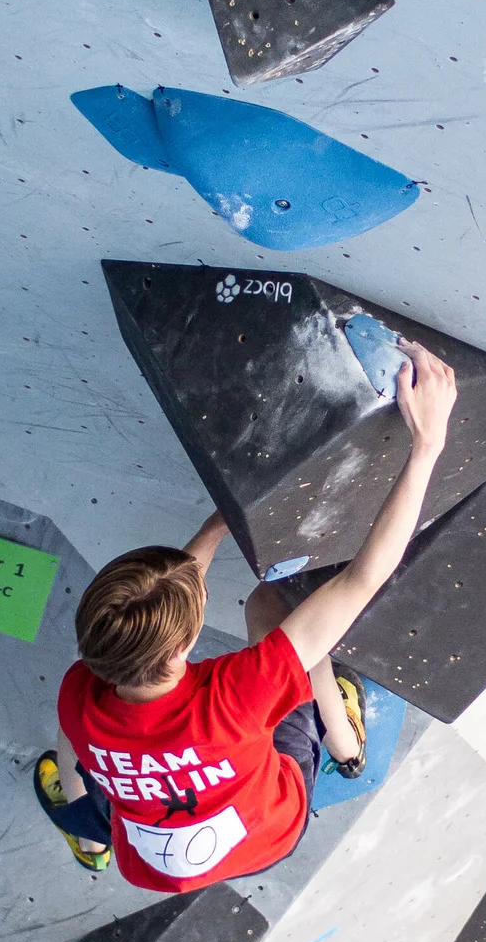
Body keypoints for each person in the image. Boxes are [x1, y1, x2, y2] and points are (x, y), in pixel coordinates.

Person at [34, 343, 456, 887]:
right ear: (184, 646)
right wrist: (426, 446)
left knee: (77, 738)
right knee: (272, 607)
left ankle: (92, 842)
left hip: (151, 863)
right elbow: (363, 577)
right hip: (271, 831)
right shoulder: (238, 694)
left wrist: (221, 523)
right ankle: (344, 745)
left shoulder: (80, 690)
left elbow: (170, 592)